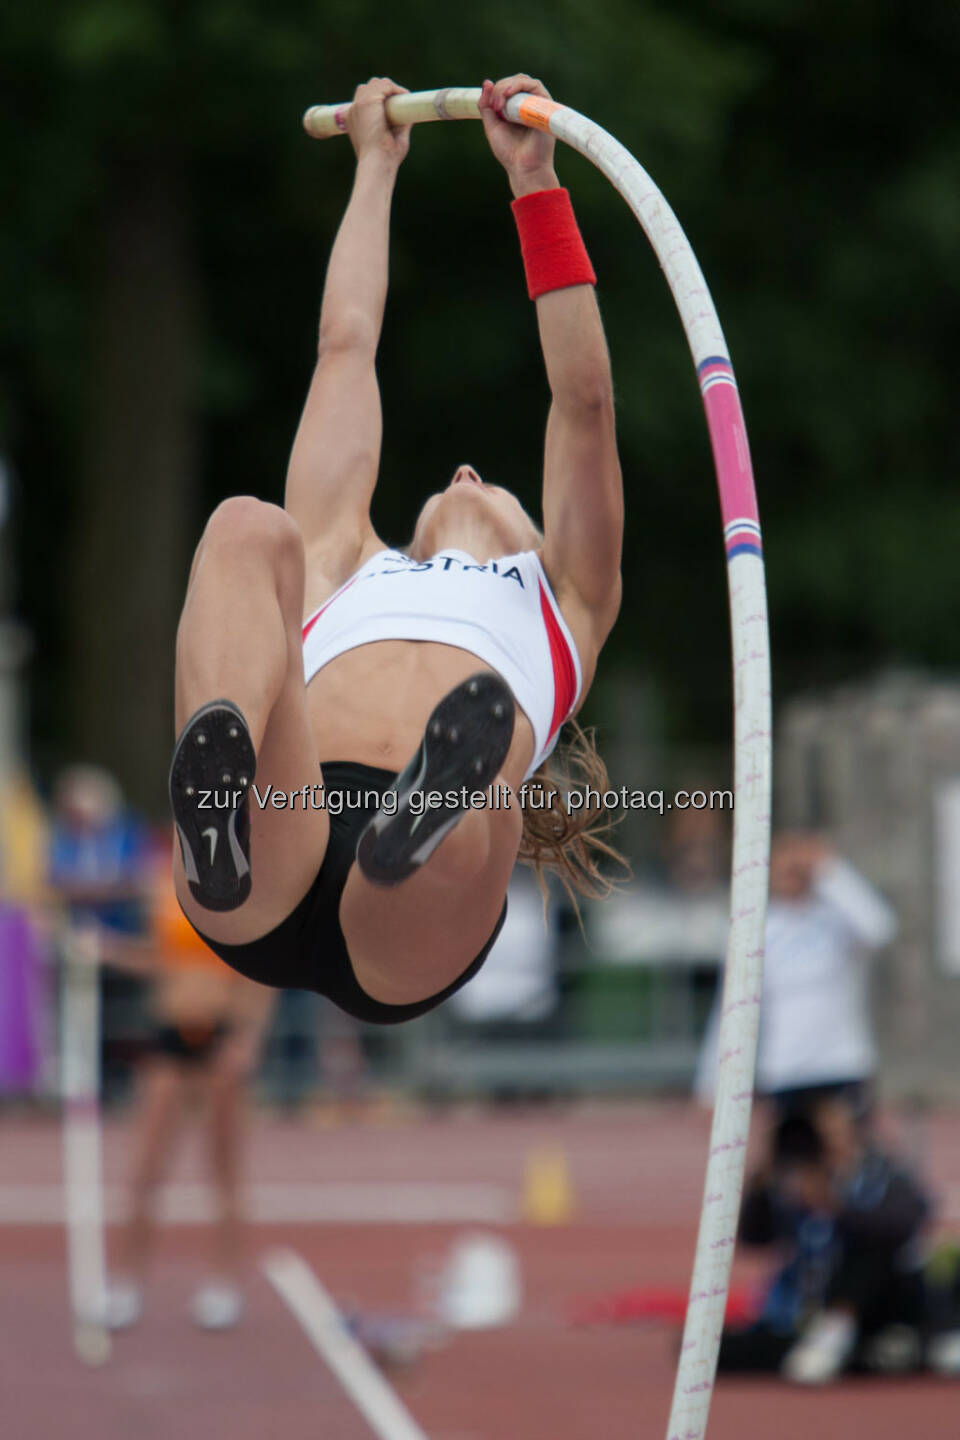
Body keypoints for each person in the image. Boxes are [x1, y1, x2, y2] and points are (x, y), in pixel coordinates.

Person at [168, 74, 624, 1022]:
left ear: (540, 534)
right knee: (247, 528)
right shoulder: (347, 560)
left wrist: (534, 183)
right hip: (277, 838)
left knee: (483, 734)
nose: (465, 471)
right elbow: (347, 345)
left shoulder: (567, 603)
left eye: (487, 479)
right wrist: (376, 166)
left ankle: (423, 819)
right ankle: (221, 799)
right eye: (462, 477)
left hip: (413, 922)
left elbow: (581, 406)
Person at [105, 850, 275, 1330]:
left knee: (223, 1170)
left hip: (221, 1031)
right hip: (169, 1032)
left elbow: (262, 965)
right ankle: (126, 1283)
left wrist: (247, 1036)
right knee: (145, 1168)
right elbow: (158, 957)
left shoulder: (242, 879)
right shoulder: (163, 883)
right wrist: (105, 949)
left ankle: (223, 1283)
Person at [718, 1095, 931, 1384]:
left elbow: (904, 1225)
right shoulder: (795, 1180)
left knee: (872, 1251)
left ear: (856, 1132)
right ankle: (866, 1354)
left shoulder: (885, 1175)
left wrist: (833, 1207)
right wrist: (764, 1179)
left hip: (874, 1299)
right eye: (820, 1135)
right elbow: (755, 1239)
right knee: (709, 1352)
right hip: (810, 1306)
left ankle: (842, 1335)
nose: (828, 1143)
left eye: (835, 1133)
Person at [696, 832, 897, 1118]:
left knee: (848, 1156)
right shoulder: (754, 930)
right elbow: (728, 1009)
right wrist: (709, 1083)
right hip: (784, 1069)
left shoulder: (836, 921)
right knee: (791, 1161)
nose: (790, 875)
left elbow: (879, 927)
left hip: (841, 1062)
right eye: (782, 867)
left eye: (797, 868)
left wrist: (831, 870)